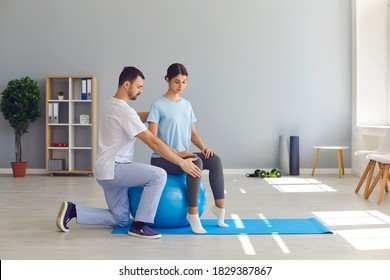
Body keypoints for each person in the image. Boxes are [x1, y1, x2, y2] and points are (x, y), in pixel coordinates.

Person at [56, 66, 202, 239]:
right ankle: (139, 225)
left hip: (104, 171)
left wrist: (159, 114)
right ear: (127, 84)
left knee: (121, 219)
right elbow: (153, 142)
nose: (140, 91)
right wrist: (181, 161)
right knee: (158, 176)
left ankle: (74, 210)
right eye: (139, 87)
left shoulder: (111, 103)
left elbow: (133, 116)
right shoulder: (124, 111)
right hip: (116, 169)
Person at [147, 63, 228, 234]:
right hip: (162, 159)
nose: (181, 86)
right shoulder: (158, 105)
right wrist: (176, 154)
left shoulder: (187, 105)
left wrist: (204, 148)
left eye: (184, 82)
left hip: (183, 155)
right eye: (177, 82)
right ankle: (192, 213)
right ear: (167, 80)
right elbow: (152, 138)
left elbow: (192, 133)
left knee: (214, 160)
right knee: (195, 161)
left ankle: (220, 209)